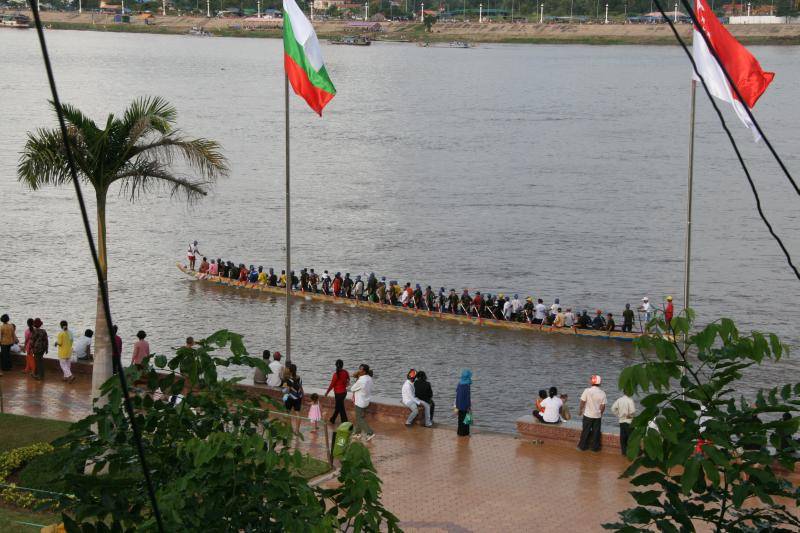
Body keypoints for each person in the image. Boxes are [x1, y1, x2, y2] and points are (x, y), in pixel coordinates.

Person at [578, 375, 607, 452]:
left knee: (585, 431)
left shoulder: (587, 391)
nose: (590, 380)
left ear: (592, 382)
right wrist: (600, 414)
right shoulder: (602, 393)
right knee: (596, 433)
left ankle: (582, 446)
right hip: (597, 416)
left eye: (591, 379)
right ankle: (595, 448)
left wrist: (580, 410)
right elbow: (603, 406)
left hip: (588, 415)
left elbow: (582, 402)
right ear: (599, 383)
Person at [350, 364, 375, 441]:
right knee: (359, 417)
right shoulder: (369, 378)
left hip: (360, 402)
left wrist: (357, 377)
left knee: (359, 418)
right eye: (359, 369)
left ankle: (370, 432)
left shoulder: (361, 380)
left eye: (360, 369)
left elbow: (352, 388)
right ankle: (357, 433)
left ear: (364, 371)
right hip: (366, 400)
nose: (359, 371)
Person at [325, 359, 350, 424]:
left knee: (341, 408)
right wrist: (345, 384)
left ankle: (345, 422)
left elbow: (332, 385)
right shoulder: (345, 372)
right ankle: (332, 419)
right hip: (344, 393)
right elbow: (348, 380)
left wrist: (327, 392)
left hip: (338, 394)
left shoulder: (335, 375)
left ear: (336, 365)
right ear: (342, 365)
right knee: (338, 407)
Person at [282, 364, 304, 432]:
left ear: (290, 371)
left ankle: (289, 428)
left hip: (290, 398)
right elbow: (301, 387)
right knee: (298, 413)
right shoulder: (299, 377)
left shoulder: (288, 380)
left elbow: (287, 390)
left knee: (287, 412)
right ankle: (297, 430)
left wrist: (284, 394)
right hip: (298, 397)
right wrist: (302, 394)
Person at [456, 369, 472, 437]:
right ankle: (466, 433)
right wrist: (469, 406)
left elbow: (457, 393)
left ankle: (460, 433)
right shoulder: (467, 385)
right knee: (467, 418)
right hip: (465, 405)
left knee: (460, 419)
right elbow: (467, 397)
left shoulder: (459, 383)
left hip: (459, 404)